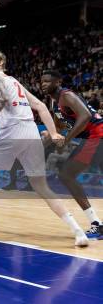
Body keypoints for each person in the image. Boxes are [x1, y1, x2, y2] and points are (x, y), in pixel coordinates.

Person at [0, 51, 88, 246]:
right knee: (40, 185)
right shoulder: (15, 81)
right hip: (30, 130)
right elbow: (40, 105)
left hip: (13, 129)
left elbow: (1, 100)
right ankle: (78, 231)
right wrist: (53, 132)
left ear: (1, 62)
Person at [41, 69, 103, 238]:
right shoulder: (55, 104)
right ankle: (97, 223)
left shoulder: (66, 95)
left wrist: (67, 140)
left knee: (66, 175)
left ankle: (97, 223)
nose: (43, 84)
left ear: (58, 82)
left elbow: (85, 116)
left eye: (47, 81)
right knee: (66, 175)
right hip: (93, 138)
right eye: (42, 81)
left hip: (97, 135)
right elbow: (56, 131)